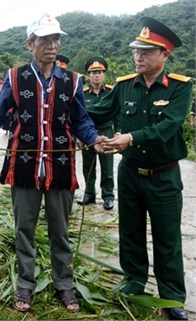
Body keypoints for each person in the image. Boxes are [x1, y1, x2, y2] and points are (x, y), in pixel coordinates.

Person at [0, 13, 107, 314]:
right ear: (29, 43)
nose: (52, 45)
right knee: (24, 229)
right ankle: (25, 284)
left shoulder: (72, 81)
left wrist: (94, 139)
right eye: (44, 39)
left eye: (56, 39)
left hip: (59, 167)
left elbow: (81, 120)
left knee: (60, 230)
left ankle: (64, 284)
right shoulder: (16, 77)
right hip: (24, 165)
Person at [87, 17, 192, 321]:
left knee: (167, 238)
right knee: (130, 233)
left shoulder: (180, 88)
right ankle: (133, 283)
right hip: (130, 173)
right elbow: (99, 111)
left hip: (164, 176)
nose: (139, 56)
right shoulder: (123, 86)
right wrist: (65, 107)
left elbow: (168, 126)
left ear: (165, 55)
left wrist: (129, 138)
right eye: (136, 50)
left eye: (147, 51)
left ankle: (173, 299)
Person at [77, 57, 116, 210]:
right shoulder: (82, 93)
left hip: (106, 133)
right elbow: (77, 116)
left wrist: (118, 132)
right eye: (93, 73)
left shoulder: (112, 92)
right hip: (88, 135)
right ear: (88, 75)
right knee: (88, 166)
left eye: (99, 72)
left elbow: (117, 114)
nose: (97, 75)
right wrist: (79, 136)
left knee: (107, 167)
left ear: (104, 74)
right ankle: (89, 194)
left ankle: (108, 196)